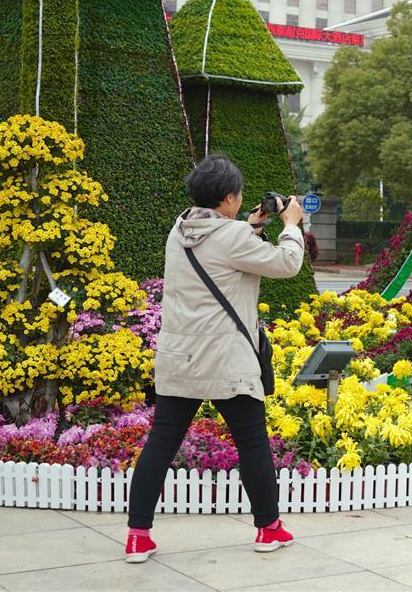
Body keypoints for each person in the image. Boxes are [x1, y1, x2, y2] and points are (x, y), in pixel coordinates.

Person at [125, 153, 305, 562]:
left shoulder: (179, 229)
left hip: (180, 358)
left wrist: (255, 222)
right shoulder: (234, 237)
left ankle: (138, 536)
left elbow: (219, 244)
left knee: (160, 444)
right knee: (253, 444)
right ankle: (268, 528)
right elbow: (287, 264)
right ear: (227, 198)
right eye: (238, 195)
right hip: (227, 362)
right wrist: (290, 226)